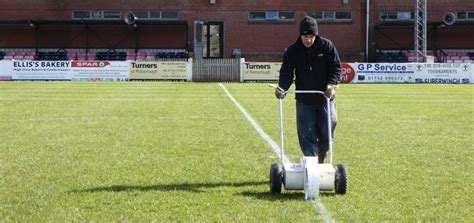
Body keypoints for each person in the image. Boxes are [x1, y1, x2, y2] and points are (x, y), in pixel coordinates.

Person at [275, 16, 342, 163]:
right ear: (300, 35)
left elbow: (336, 68)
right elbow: (286, 72)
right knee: (306, 134)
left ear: (315, 35)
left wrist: (331, 85)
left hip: (325, 97)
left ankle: (321, 156)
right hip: (304, 100)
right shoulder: (293, 51)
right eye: (306, 36)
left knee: (329, 127)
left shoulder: (327, 46)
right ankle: (311, 165)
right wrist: (282, 88)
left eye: (311, 36)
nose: (308, 40)